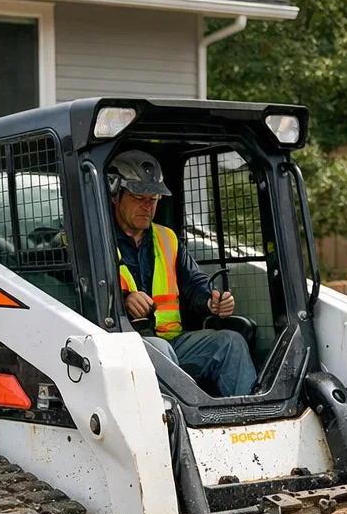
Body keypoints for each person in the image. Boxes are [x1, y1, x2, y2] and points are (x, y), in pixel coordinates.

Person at [110, 150, 257, 397]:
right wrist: (124, 299)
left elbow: (193, 282)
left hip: (173, 342)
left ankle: (249, 420)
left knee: (231, 342)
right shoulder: (96, 238)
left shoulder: (167, 238)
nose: (148, 207)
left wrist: (211, 300)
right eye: (139, 197)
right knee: (159, 350)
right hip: (122, 344)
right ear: (115, 195)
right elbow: (87, 290)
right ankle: (185, 424)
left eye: (154, 199)